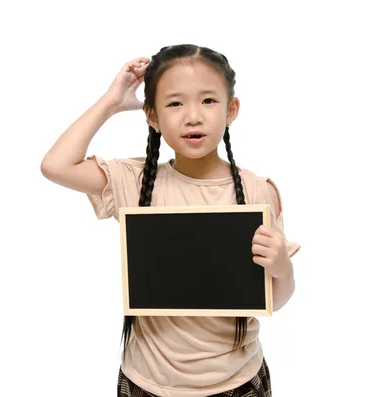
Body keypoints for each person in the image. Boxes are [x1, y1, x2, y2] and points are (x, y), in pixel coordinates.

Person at [41, 44, 300, 397]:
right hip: (146, 383)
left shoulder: (257, 191)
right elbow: (56, 166)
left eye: (208, 101)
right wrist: (111, 102)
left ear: (231, 110)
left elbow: (274, 299)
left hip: (236, 383)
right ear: (153, 117)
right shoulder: (133, 181)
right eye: (175, 103)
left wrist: (282, 267)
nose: (193, 116)